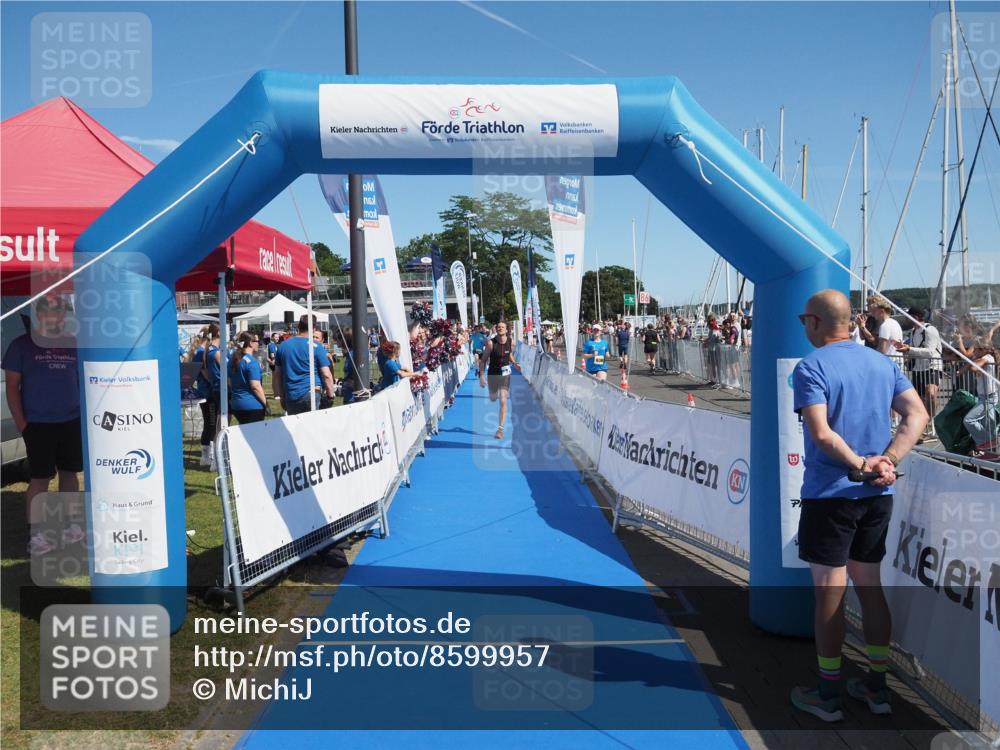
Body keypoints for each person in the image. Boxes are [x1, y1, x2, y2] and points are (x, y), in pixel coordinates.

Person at [790, 289, 927, 722]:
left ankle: (828, 695)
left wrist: (863, 464)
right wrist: (887, 461)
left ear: (814, 321)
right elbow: (918, 415)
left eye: (803, 320)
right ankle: (876, 688)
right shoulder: (882, 362)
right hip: (876, 496)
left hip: (833, 495)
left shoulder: (811, 366)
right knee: (869, 587)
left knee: (830, 594)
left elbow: (822, 434)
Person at [3, 295, 84, 555]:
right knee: (40, 479)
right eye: (50, 310)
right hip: (38, 424)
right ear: (39, 314)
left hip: (71, 420)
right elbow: (12, 388)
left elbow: (82, 381)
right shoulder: (21, 345)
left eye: (60, 311)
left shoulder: (73, 343)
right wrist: (22, 423)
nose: (56, 316)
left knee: (70, 475)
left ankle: (72, 526)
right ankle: (37, 535)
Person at [892, 308, 942, 439]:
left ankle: (930, 421)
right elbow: (914, 349)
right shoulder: (913, 331)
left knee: (930, 392)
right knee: (919, 398)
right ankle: (924, 423)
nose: (907, 319)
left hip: (932, 366)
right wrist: (905, 348)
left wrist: (909, 349)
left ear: (916, 316)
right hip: (918, 368)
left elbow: (931, 351)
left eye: (909, 316)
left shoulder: (930, 330)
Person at [274, 315, 336, 415]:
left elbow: (277, 374)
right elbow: (326, 374)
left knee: (295, 428)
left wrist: (280, 395)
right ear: (314, 328)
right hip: (311, 393)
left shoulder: (283, 346)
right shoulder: (316, 346)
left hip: (291, 394)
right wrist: (330, 395)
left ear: (298, 325)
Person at [956, 337, 998, 459]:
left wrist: (973, 360)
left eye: (975, 349)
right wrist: (971, 361)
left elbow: (974, 368)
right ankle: (991, 450)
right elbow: (963, 369)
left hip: (989, 397)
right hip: (983, 396)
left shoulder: (987, 358)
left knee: (969, 420)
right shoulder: (981, 358)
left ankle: (986, 443)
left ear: (982, 349)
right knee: (990, 424)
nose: (973, 352)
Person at [479, 320, 521, 439]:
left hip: (505, 374)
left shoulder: (511, 342)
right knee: (493, 397)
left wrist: (515, 363)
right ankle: (493, 393)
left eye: (502, 327)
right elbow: (483, 361)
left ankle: (500, 429)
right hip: (493, 373)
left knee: (503, 400)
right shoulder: (491, 343)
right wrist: (481, 376)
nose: (500, 328)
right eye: (498, 327)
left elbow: (509, 355)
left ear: (507, 330)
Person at [228, 332, 268, 424]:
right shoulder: (252, 362)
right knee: (255, 436)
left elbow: (229, 382)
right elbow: (255, 386)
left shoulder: (233, 360)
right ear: (250, 343)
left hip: (236, 404)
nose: (258, 343)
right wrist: (266, 404)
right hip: (252, 406)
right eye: (257, 341)